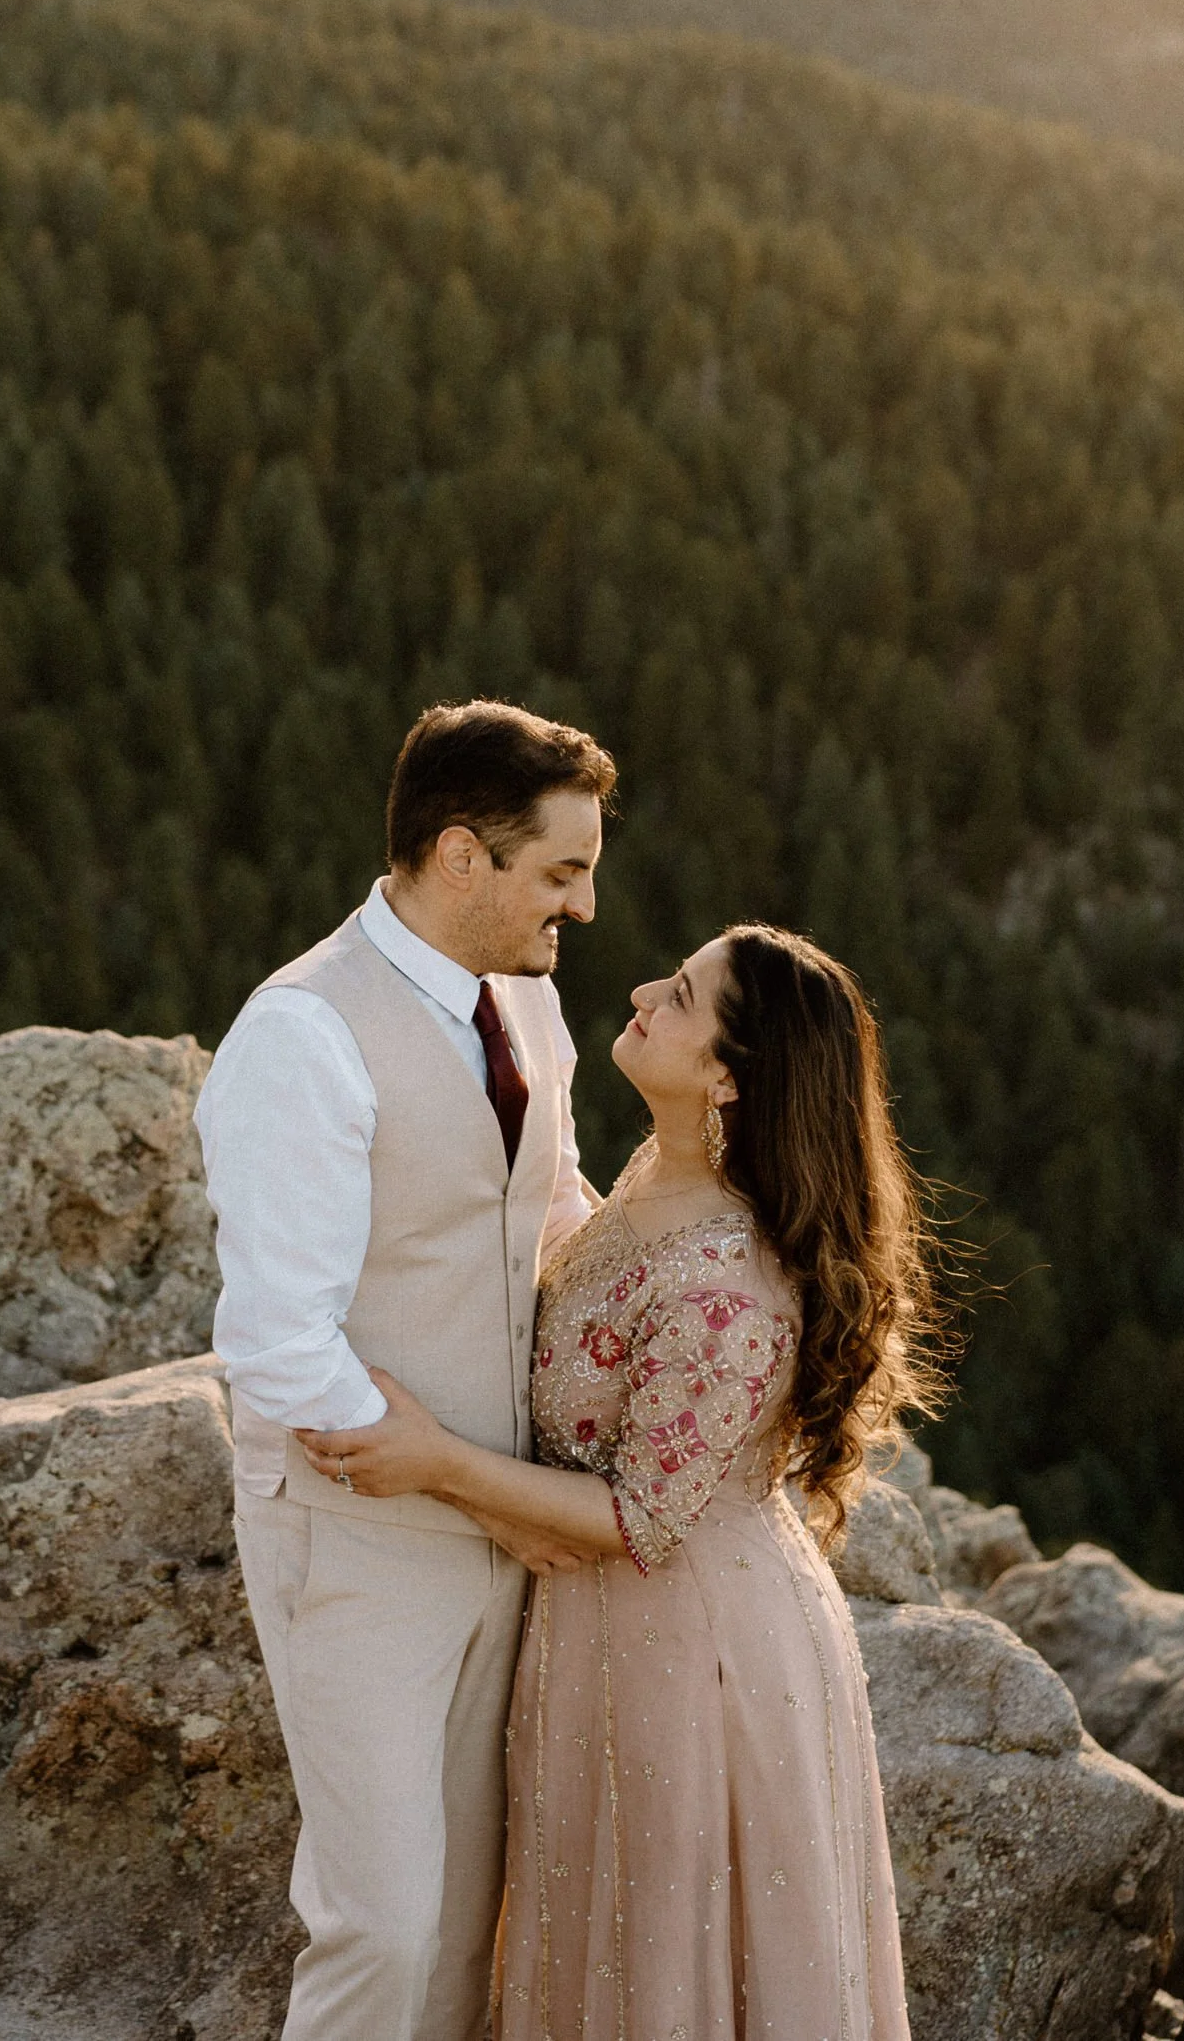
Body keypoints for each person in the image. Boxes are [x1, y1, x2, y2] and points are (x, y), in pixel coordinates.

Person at [300, 921, 946, 2040]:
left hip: (696, 1656)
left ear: (729, 1080)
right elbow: (579, 1252)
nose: (646, 989)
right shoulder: (665, 1175)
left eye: (683, 997)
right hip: (606, 1637)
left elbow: (643, 1514)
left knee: (662, 1967)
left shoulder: (729, 1283)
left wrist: (439, 1465)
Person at [196, 699, 617, 2041]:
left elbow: (546, 1216)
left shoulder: (530, 1015)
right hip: (358, 1541)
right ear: (458, 856)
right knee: (379, 1923)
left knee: (468, 1930)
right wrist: (482, 1493)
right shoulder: (304, 1035)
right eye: (561, 872)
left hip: (503, 1535)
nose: (586, 907)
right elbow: (276, 1342)